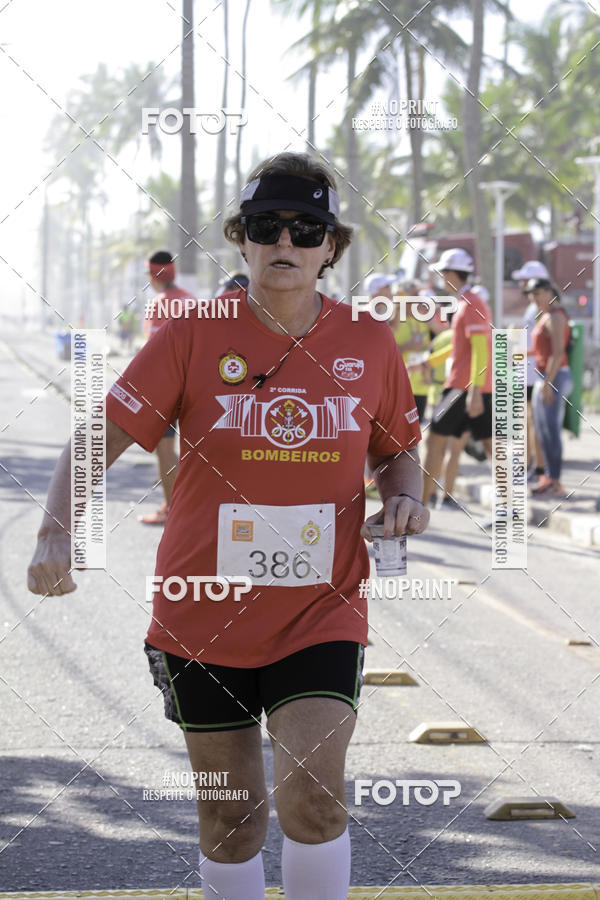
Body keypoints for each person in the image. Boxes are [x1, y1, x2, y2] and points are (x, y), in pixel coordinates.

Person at [27, 151, 430, 900]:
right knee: (230, 815)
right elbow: (100, 435)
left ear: (330, 248)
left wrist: (405, 497)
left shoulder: (370, 342)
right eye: (266, 226)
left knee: (312, 795)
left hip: (322, 609)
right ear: (240, 239)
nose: (286, 242)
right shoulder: (190, 335)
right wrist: (57, 529)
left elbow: (398, 450)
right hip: (200, 616)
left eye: (305, 229)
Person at [420, 248, 493, 507]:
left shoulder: (471, 303)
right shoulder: (466, 302)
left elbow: (481, 348)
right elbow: (459, 347)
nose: (441, 278)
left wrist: (473, 390)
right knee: (490, 446)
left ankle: (421, 503)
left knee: (434, 439)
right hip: (469, 386)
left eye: (442, 273)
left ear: (451, 274)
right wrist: (428, 362)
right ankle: (511, 508)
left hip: (464, 388)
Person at [138, 250, 196, 526]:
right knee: (187, 451)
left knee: (164, 449)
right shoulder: (191, 300)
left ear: (152, 275)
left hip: (168, 387)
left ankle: (175, 511)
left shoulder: (158, 304)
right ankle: (182, 505)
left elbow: (153, 351)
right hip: (197, 385)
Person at [525, 277, 573, 498]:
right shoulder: (544, 316)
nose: (533, 298)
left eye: (536, 293)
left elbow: (557, 352)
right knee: (542, 432)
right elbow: (542, 352)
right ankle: (546, 477)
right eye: (531, 294)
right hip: (543, 376)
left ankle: (555, 480)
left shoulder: (555, 316)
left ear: (548, 292)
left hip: (553, 376)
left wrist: (547, 383)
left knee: (551, 431)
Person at [512, 260, 550, 482]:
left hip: (534, 373)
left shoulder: (539, 308)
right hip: (526, 372)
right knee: (526, 422)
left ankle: (537, 468)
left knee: (533, 422)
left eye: (526, 281)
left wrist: (518, 353)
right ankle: (529, 466)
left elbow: (541, 345)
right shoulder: (533, 307)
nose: (522, 284)